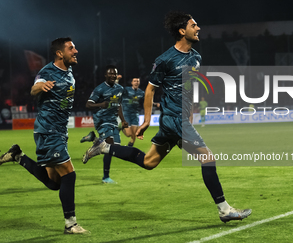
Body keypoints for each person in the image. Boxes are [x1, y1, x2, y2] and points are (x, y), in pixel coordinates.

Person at [82, 11, 252, 223]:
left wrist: (189, 116)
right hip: (173, 119)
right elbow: (150, 90)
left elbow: (189, 89)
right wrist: (146, 121)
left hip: (180, 119)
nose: (198, 28)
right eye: (194, 25)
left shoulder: (196, 58)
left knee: (149, 161)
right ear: (182, 31)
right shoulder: (164, 60)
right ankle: (224, 210)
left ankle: (105, 147)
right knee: (207, 159)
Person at [0, 37, 89, 234]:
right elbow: (34, 87)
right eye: (71, 48)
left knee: (54, 183)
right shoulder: (47, 71)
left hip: (59, 132)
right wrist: (40, 87)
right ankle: (70, 224)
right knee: (69, 175)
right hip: (48, 131)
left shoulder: (69, 71)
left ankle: (18, 156)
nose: (76, 51)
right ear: (59, 53)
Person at [80, 65, 128, 184]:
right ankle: (105, 177)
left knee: (114, 148)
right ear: (105, 75)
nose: (112, 76)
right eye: (110, 74)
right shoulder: (100, 89)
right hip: (101, 120)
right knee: (109, 144)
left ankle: (94, 139)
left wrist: (122, 119)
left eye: (114, 74)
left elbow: (119, 105)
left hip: (113, 120)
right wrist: (100, 104)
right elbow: (88, 104)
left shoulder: (120, 89)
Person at [121, 77, 145, 146]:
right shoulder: (126, 90)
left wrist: (155, 104)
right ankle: (121, 127)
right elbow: (117, 89)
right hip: (126, 113)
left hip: (135, 114)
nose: (136, 82)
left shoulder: (141, 92)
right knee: (129, 134)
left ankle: (129, 147)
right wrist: (117, 81)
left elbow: (147, 101)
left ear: (139, 83)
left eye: (137, 81)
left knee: (134, 134)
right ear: (132, 82)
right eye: (134, 81)